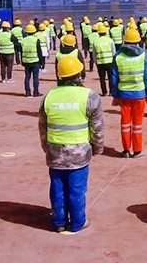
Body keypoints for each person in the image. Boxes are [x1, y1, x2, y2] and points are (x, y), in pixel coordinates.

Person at [38, 56, 104, 233]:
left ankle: (59, 221)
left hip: (55, 152)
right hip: (79, 153)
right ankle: (77, 222)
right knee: (77, 189)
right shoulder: (89, 96)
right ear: (79, 74)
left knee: (57, 188)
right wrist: (98, 148)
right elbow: (97, 127)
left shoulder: (49, 97)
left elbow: (42, 127)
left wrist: (46, 148)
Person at [110, 28, 147, 158]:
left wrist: (115, 95)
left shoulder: (118, 57)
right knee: (137, 124)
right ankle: (137, 150)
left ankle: (126, 150)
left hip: (123, 94)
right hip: (139, 94)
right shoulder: (144, 55)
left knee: (125, 123)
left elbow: (114, 78)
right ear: (138, 41)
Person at [21, 24, 43, 97]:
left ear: (26, 32)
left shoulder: (23, 40)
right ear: (34, 32)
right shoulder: (36, 40)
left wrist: (22, 61)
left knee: (27, 77)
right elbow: (39, 52)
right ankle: (35, 92)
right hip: (35, 61)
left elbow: (21, 51)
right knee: (35, 78)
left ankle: (27, 92)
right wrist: (41, 62)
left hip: (26, 61)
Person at [93, 25, 116, 96]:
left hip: (100, 62)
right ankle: (111, 92)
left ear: (98, 33)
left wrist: (96, 62)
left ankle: (104, 92)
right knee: (111, 78)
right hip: (110, 61)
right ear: (106, 32)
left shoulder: (96, 42)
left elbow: (94, 54)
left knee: (102, 79)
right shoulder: (110, 40)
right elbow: (114, 52)